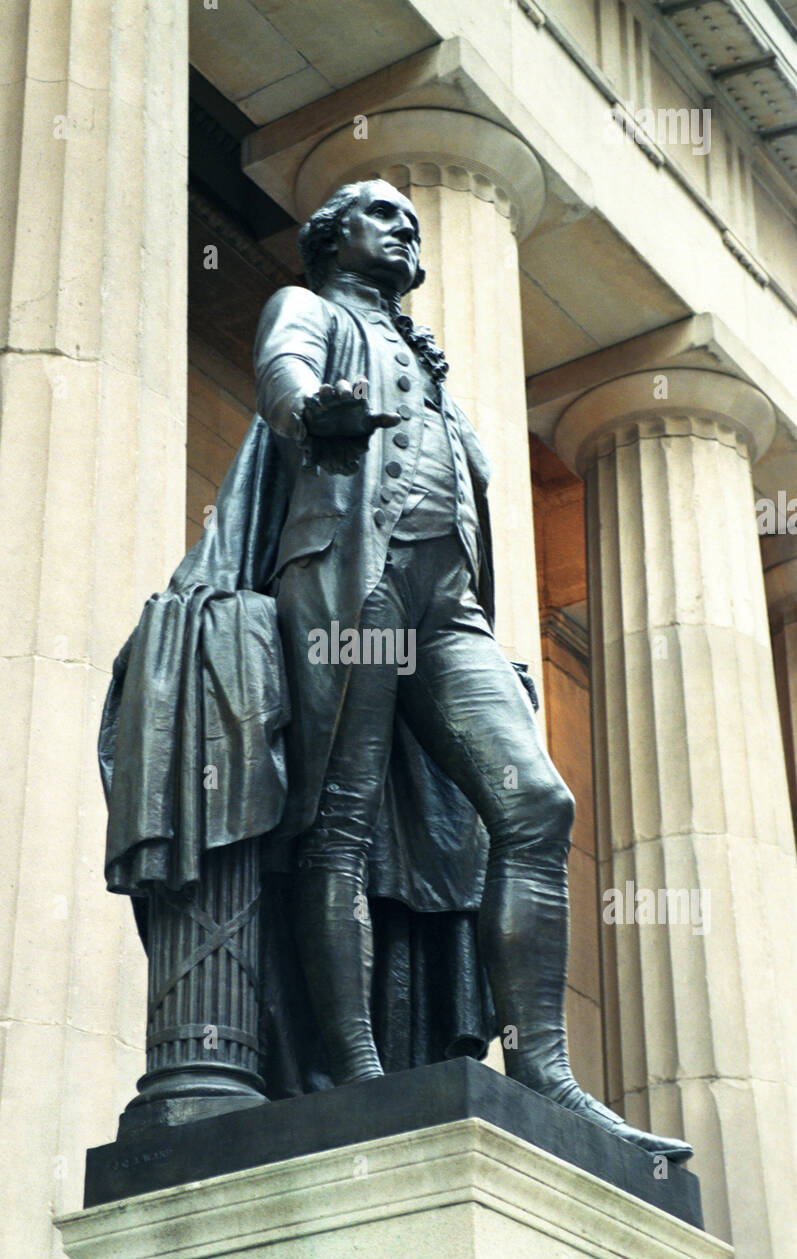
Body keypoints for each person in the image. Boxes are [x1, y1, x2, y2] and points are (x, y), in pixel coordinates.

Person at [250, 178, 691, 1163]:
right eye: (382, 215)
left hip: (444, 608)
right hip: (348, 577)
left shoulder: (422, 354)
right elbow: (282, 375)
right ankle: (358, 1068)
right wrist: (314, 406)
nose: (406, 228)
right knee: (342, 819)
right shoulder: (308, 309)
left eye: (413, 218)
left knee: (536, 803)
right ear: (330, 239)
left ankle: (541, 1065)